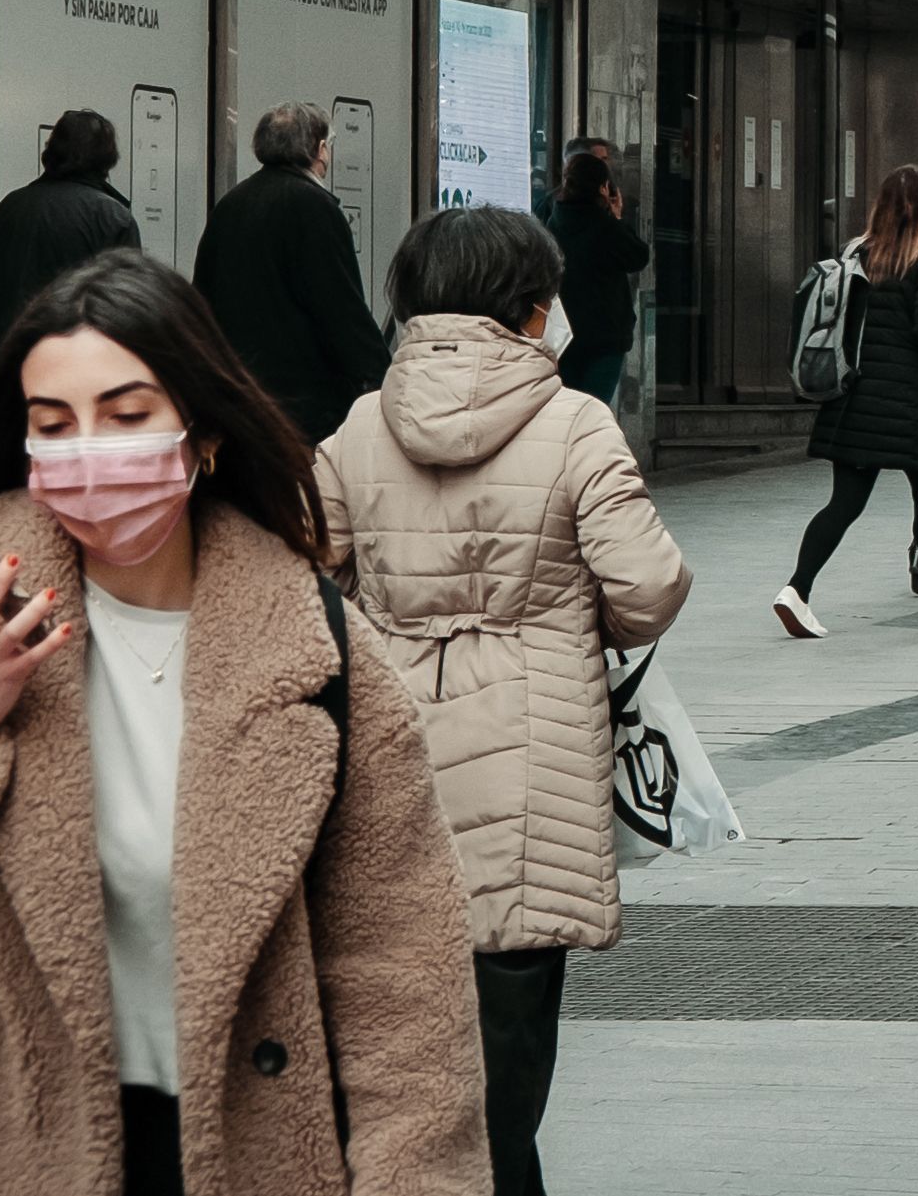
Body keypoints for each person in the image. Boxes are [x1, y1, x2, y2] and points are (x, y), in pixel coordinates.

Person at [0, 250, 490, 1196]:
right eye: (53, 424)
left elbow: (404, 977)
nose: (90, 451)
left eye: (125, 415)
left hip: (248, 1151)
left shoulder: (316, 648)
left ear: (203, 431)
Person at [312, 208, 690, 1196]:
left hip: (389, 776)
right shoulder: (575, 423)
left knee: (405, 1077)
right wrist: (566, 617)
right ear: (530, 306)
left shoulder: (358, 426)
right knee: (502, 1091)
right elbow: (649, 585)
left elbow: (304, 573)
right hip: (532, 781)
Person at [777, 168, 918, 636]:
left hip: (857, 399)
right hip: (917, 404)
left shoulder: (857, 254)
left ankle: (796, 589)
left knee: (844, 502)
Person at [193, 103, 396, 439]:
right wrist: (381, 377)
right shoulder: (314, 207)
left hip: (235, 400)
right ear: (320, 149)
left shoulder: (229, 205)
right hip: (300, 409)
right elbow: (339, 307)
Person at [0, 108, 150, 370]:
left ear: (51, 151)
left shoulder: (11, 208)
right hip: (73, 374)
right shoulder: (113, 219)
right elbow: (126, 315)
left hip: (2, 370)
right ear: (107, 158)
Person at [550, 149, 650, 404]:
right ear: (603, 188)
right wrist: (617, 218)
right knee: (593, 408)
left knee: (566, 407)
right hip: (604, 335)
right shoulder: (605, 227)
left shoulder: (553, 221)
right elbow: (638, 257)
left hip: (562, 333)